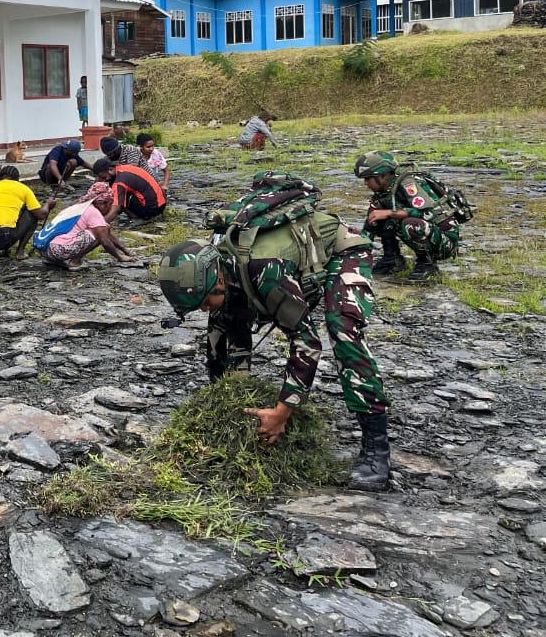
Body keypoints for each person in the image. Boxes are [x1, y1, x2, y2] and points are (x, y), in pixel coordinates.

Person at [155, 189, 391, 491]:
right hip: (273, 267)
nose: (203, 309)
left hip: (341, 252)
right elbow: (220, 342)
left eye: (204, 301)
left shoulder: (265, 271)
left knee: (343, 331)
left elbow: (306, 341)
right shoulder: (216, 265)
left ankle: (376, 451)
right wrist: (227, 403)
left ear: (218, 279)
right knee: (224, 318)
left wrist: (282, 411)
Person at [354, 150, 463, 282]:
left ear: (383, 175)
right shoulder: (383, 192)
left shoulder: (409, 184)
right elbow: (369, 227)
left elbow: (427, 213)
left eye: (368, 178)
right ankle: (392, 259)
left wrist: (389, 213)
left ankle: (428, 264)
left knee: (410, 224)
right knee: (380, 219)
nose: (365, 183)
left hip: (445, 242)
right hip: (430, 233)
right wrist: (357, 256)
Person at [0, 166, 57, 264]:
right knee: (31, 214)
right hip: (2, 237)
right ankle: (20, 252)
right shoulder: (23, 189)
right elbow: (40, 215)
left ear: (0, 177)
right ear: (17, 179)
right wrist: (48, 205)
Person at [41, 182, 136, 269]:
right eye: (110, 204)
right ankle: (75, 261)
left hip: (46, 251)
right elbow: (105, 241)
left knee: (103, 228)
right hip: (59, 250)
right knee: (101, 232)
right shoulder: (93, 212)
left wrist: (125, 250)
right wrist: (120, 257)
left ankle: (54, 260)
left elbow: (106, 231)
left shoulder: (80, 206)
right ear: (104, 203)